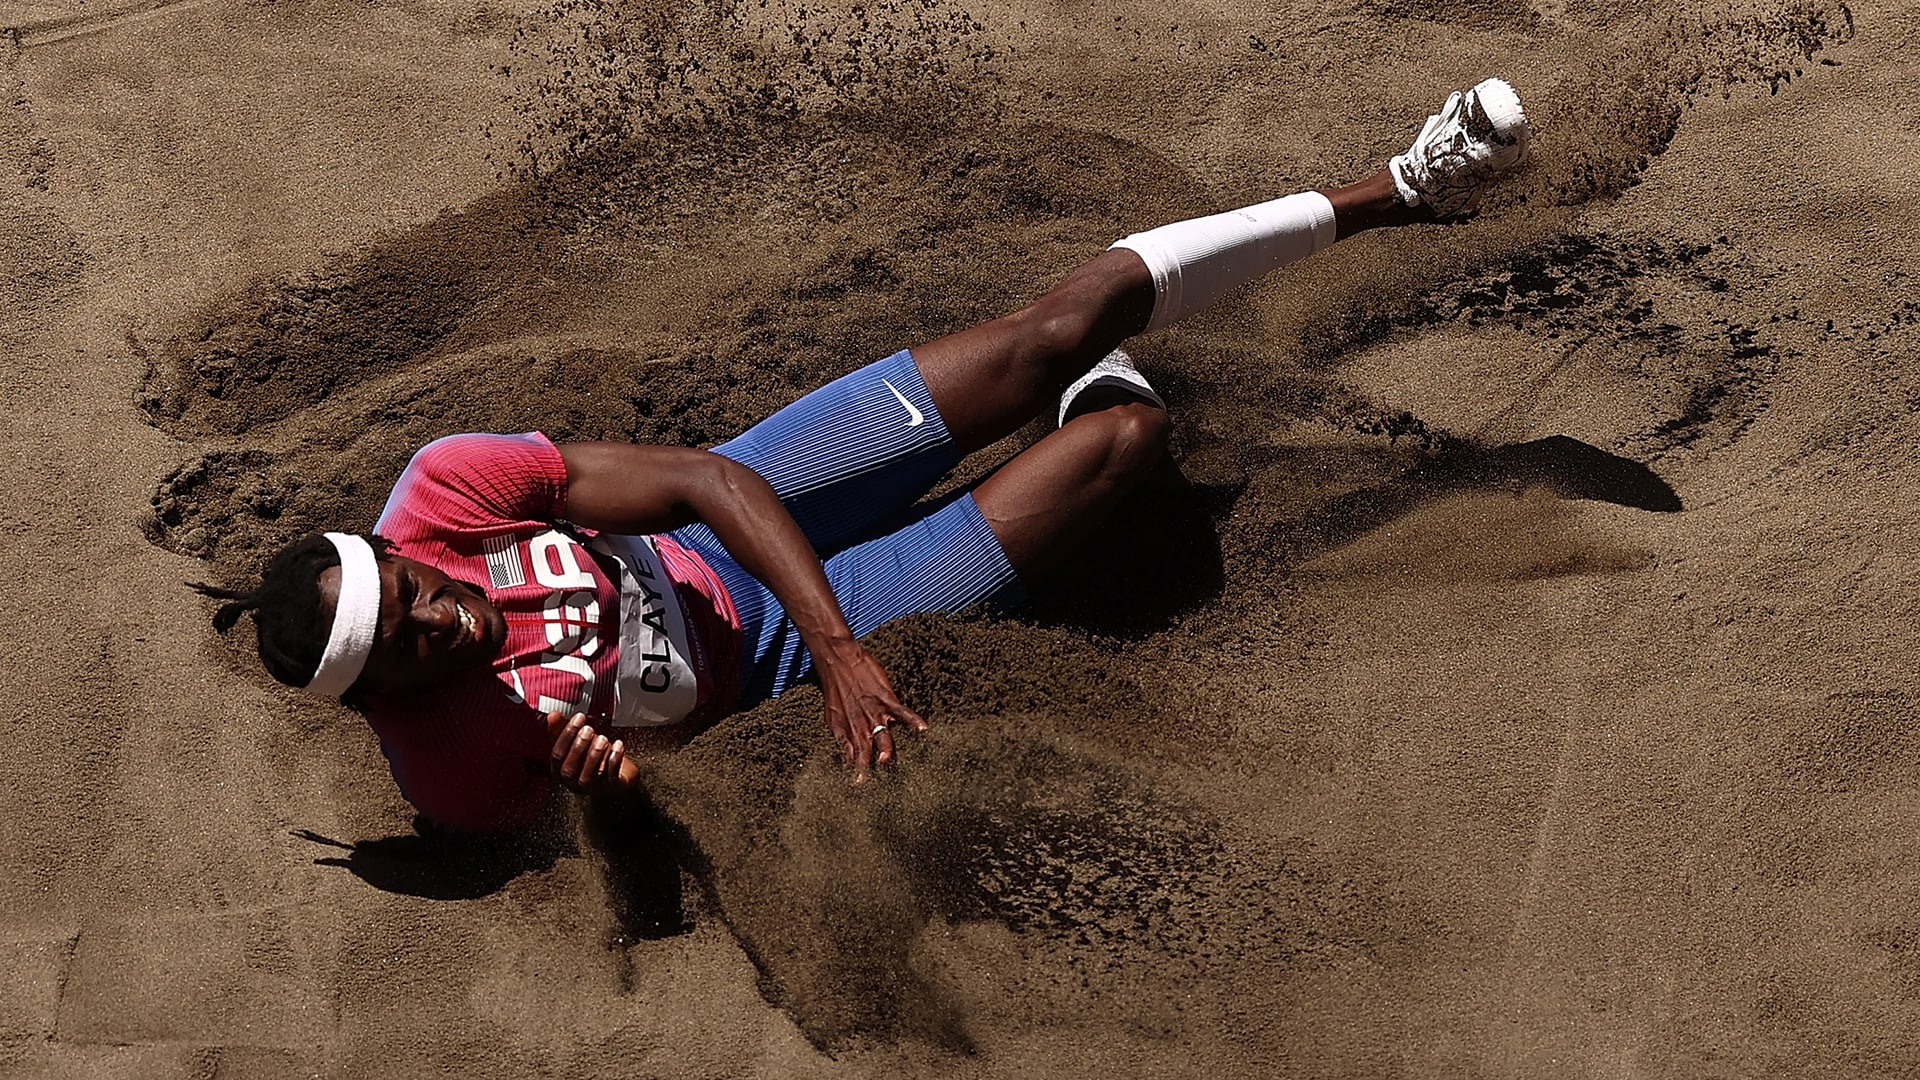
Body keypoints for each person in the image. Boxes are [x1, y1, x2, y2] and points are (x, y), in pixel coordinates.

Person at [199, 80, 1531, 833]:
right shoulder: (449, 761)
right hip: (761, 663)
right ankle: (1077, 411)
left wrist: (840, 647)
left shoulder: (447, 491)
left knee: (1053, 326)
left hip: (738, 518)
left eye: (414, 590)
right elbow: (565, 851)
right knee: (1128, 436)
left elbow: (708, 481)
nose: (445, 613)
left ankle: (1401, 187)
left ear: (391, 548)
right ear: (384, 695)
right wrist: (601, 789)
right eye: (418, 643)